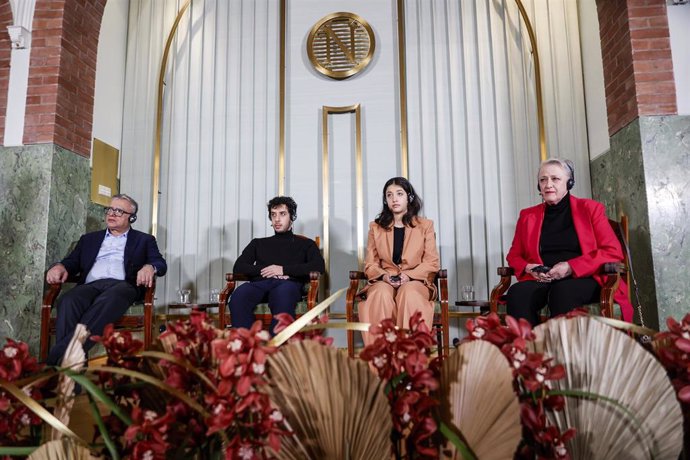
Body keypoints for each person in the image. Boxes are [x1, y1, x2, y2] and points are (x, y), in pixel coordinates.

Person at [505, 158, 632, 325]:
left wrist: (571, 267)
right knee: (517, 292)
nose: (548, 184)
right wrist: (529, 268)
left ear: (569, 183)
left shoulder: (590, 209)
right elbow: (514, 256)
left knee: (563, 291)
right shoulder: (527, 216)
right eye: (543, 180)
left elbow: (612, 251)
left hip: (585, 277)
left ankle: (561, 349)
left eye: (555, 179)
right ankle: (529, 348)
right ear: (538, 186)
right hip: (544, 279)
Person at [45, 194, 167, 365]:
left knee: (112, 296)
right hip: (91, 286)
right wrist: (60, 266)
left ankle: (55, 360)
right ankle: (71, 375)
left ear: (131, 217)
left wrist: (149, 267)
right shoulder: (89, 239)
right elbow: (72, 262)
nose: (111, 214)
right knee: (68, 300)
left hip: (122, 286)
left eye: (118, 211)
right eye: (109, 209)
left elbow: (160, 263)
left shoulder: (144, 240)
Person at [358, 177, 440, 345]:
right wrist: (383, 276)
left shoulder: (425, 226)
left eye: (399, 194)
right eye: (389, 195)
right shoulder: (376, 227)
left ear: (409, 197)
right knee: (380, 293)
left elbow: (432, 262)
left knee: (409, 293)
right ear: (385, 200)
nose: (394, 199)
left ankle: (409, 356)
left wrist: (409, 276)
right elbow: (370, 264)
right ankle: (381, 356)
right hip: (385, 279)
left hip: (416, 280)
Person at [228, 196, 325, 334]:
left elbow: (319, 266)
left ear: (292, 217)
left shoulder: (306, 244)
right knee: (239, 296)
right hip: (260, 284)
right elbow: (239, 267)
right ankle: (249, 345)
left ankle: (276, 348)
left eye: (282, 214)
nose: (277, 219)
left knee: (283, 295)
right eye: (273, 215)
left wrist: (283, 270)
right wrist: (267, 270)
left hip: (288, 285)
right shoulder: (258, 243)